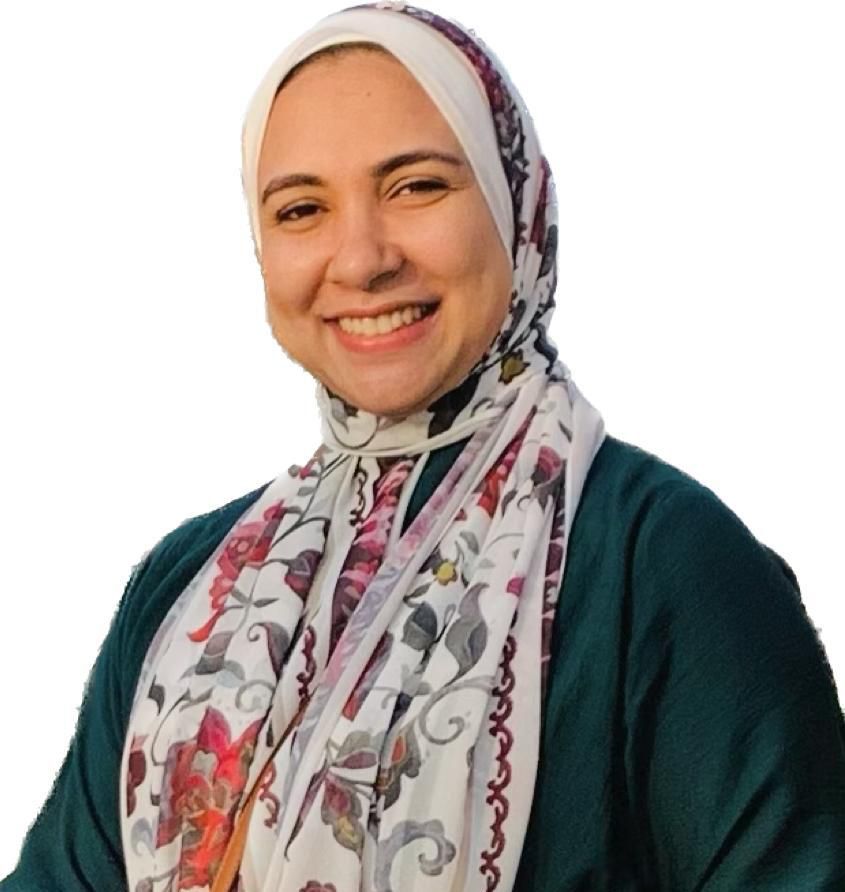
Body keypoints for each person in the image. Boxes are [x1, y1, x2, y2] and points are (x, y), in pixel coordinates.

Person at [3, 3, 845, 890]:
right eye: (301, 208)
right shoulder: (187, 589)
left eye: (416, 187)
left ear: (516, 204)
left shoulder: (659, 562)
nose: (361, 259)